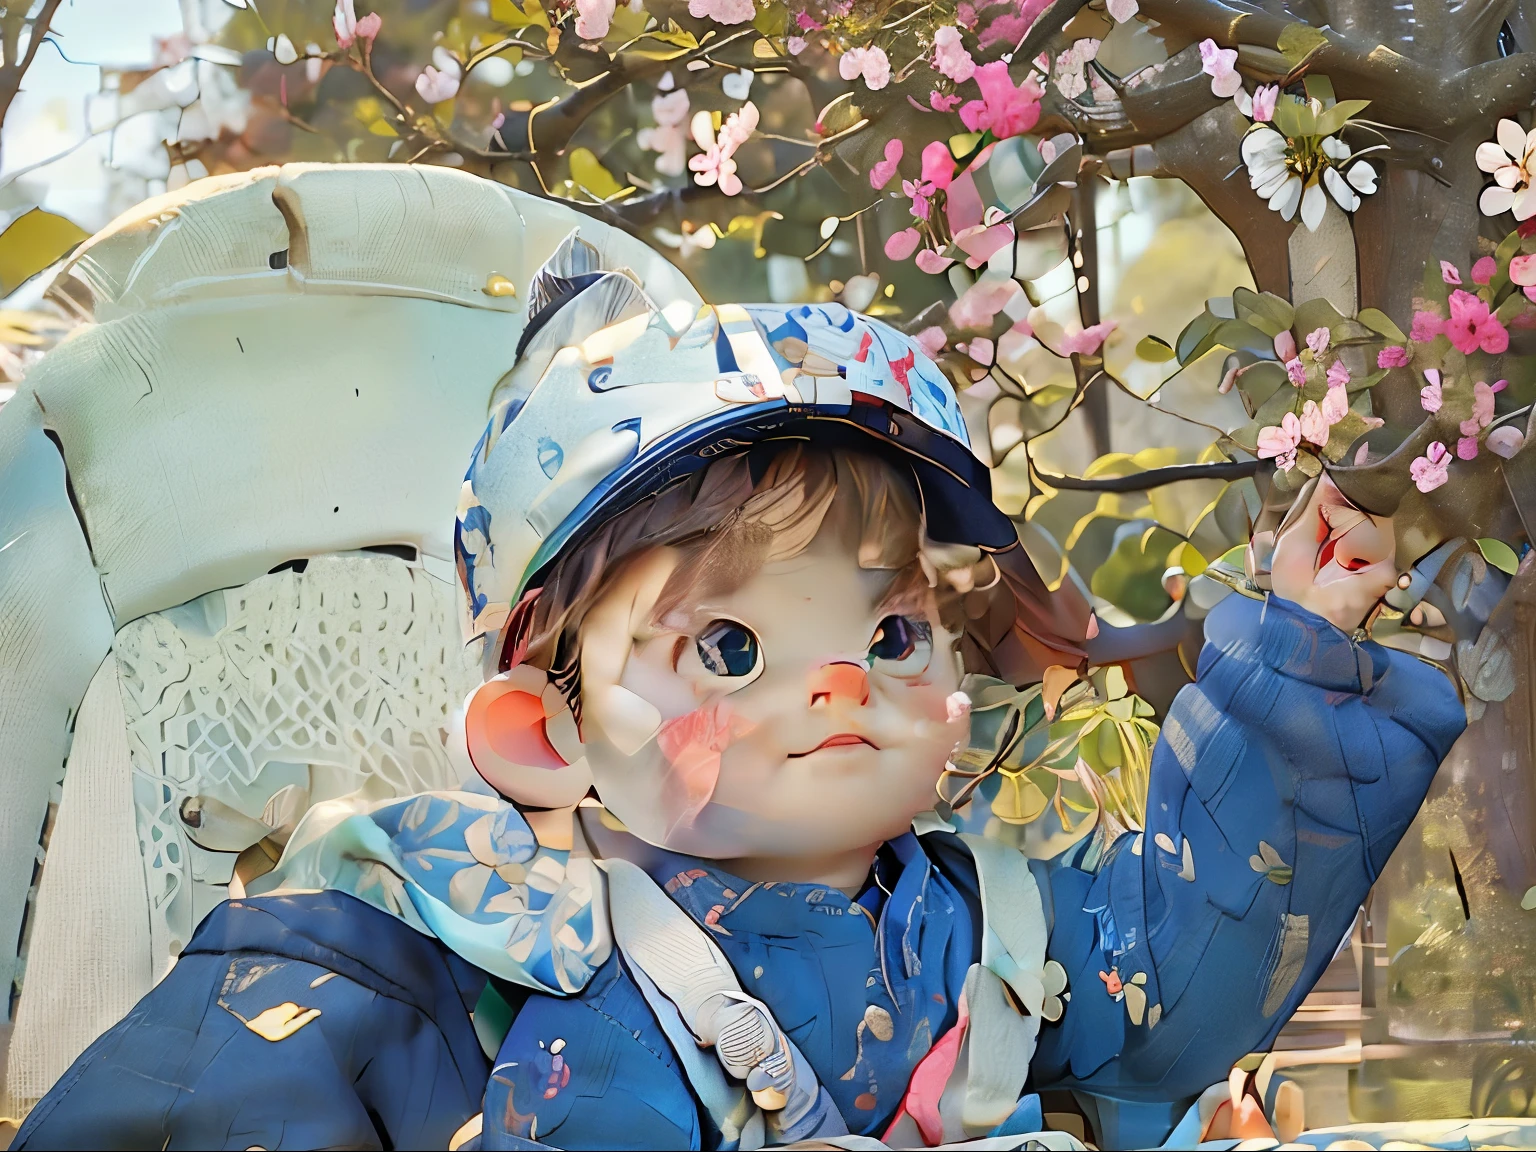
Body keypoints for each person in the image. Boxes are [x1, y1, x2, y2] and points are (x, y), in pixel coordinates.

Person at [14, 239, 1464, 1152]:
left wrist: (1289, 645)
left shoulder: (1003, 926)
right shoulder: (523, 969)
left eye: (892, 630)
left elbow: (1188, 975)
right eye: (728, 650)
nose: (838, 680)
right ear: (549, 734)